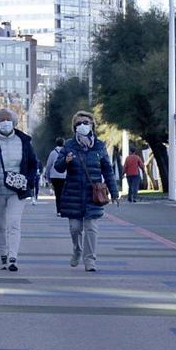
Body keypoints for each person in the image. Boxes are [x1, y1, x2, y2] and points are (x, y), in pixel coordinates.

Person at [53, 110, 119, 272]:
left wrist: (114, 192)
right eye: (78, 124)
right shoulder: (69, 145)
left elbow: (107, 171)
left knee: (91, 227)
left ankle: (90, 260)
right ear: (74, 127)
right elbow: (58, 167)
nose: (82, 126)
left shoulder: (99, 146)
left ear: (92, 126)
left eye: (85, 123)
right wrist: (65, 161)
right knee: (75, 228)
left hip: (93, 194)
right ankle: (77, 250)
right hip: (73, 193)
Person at [0, 108, 39, 272]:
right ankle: (3, 255)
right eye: (2, 120)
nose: (5, 123)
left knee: (14, 224)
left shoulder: (24, 141)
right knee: (0, 225)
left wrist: (30, 181)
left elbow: (33, 164)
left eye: (8, 120)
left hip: (17, 190)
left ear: (14, 122)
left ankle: (13, 257)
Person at [44, 138, 68, 214]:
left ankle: (59, 211)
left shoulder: (52, 153)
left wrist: (48, 178)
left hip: (54, 176)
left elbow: (48, 166)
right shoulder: (67, 152)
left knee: (58, 193)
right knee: (64, 193)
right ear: (64, 143)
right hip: (65, 176)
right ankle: (64, 209)